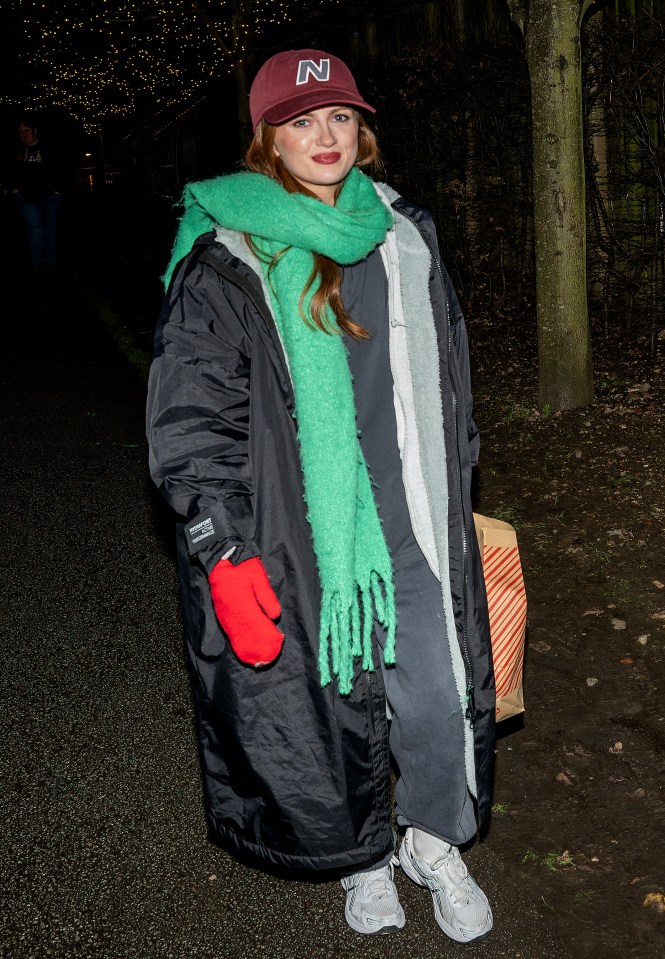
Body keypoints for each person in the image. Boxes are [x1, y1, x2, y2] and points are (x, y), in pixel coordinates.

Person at [147, 49, 495, 942]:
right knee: (327, 708)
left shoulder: (404, 233)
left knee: (432, 690)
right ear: (267, 139)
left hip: (409, 517)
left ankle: (427, 838)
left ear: (361, 128)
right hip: (298, 531)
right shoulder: (226, 259)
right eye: (301, 121)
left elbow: (449, 380)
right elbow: (190, 421)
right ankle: (362, 857)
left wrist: (461, 482)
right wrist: (219, 546)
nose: (324, 136)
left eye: (337, 116)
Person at [4, 115, 66, 272]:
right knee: (36, 228)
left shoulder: (49, 148)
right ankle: (39, 266)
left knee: (50, 230)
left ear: (35, 130)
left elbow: (62, 167)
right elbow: (7, 171)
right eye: (20, 131)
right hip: (26, 198)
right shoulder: (16, 152)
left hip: (50, 196)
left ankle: (51, 264)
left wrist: (59, 189)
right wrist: (13, 188)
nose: (24, 134)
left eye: (27, 130)